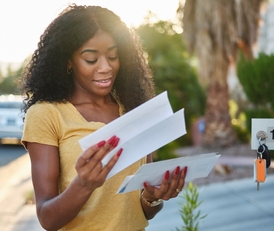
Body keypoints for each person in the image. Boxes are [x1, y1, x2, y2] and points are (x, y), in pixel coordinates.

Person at [19, 4, 187, 231]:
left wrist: (152, 196)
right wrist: (84, 185)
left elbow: (142, 211)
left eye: (113, 56)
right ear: (68, 61)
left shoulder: (133, 110)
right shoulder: (46, 114)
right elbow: (47, 218)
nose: (106, 67)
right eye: (91, 59)